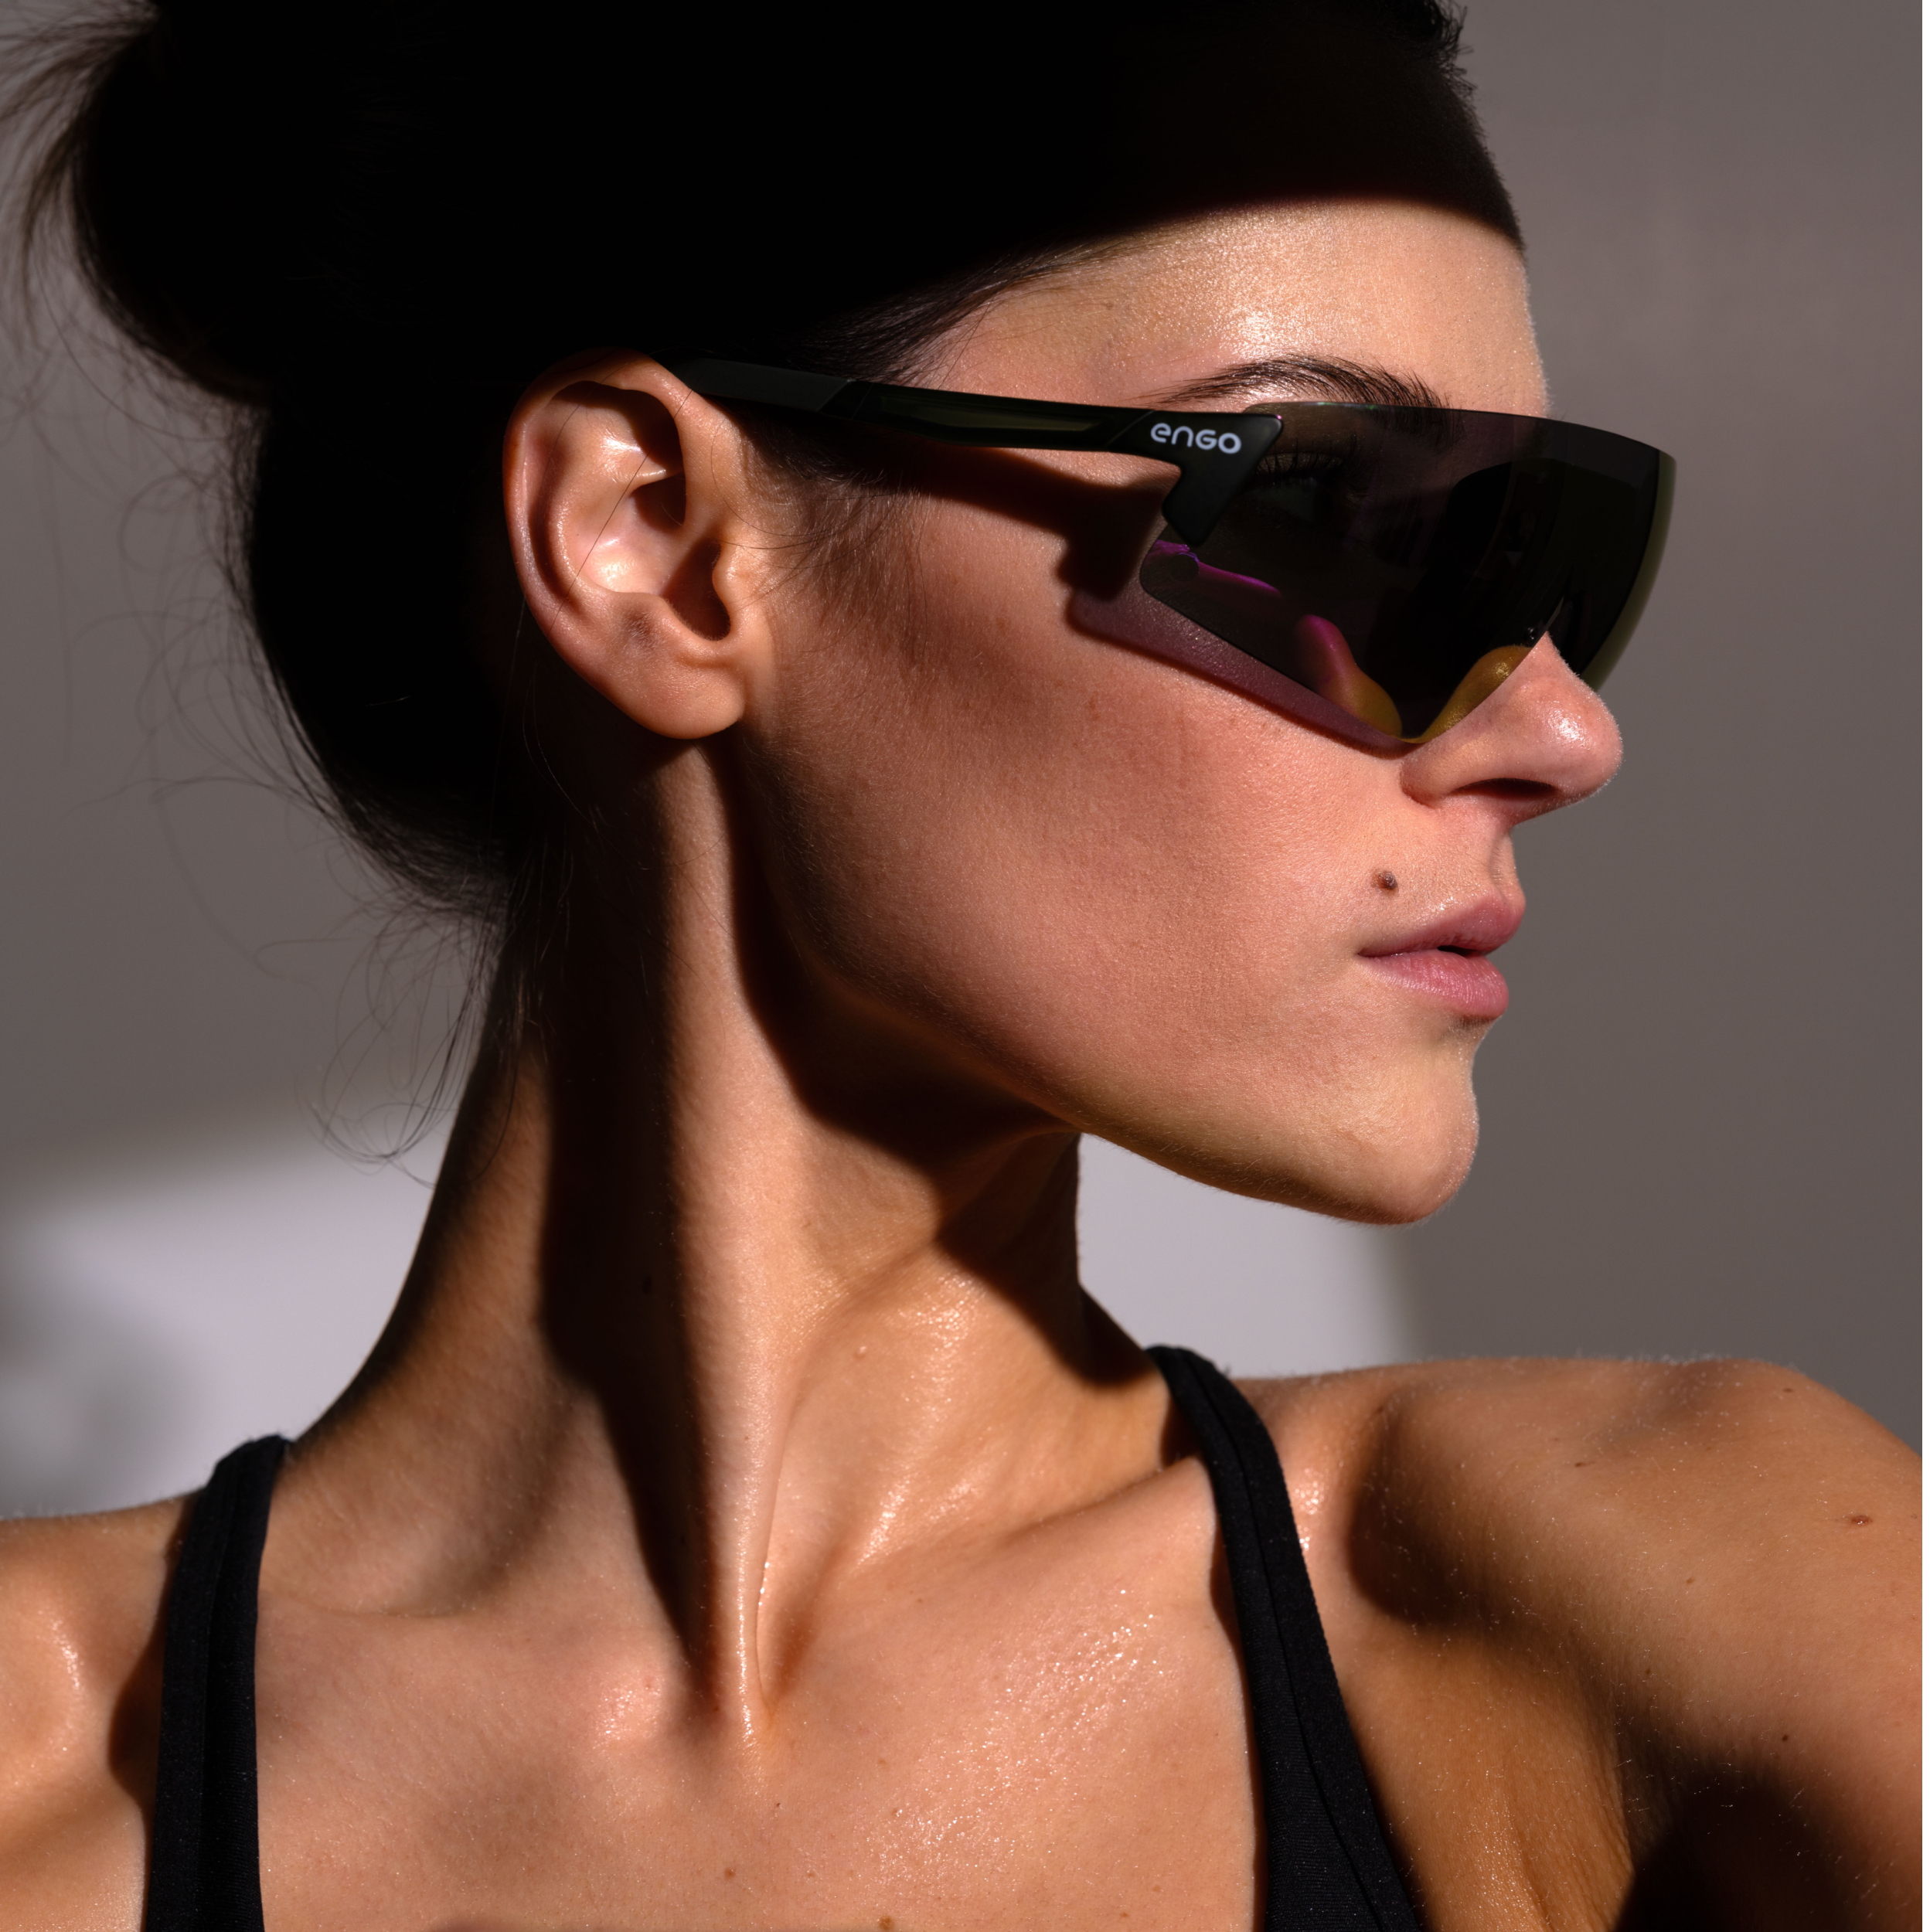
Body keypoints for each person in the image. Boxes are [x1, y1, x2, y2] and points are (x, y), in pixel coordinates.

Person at [0, 2, 1915, 1926]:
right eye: (1341, 519)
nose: (1564, 732)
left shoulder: (1657, 1622)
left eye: (1552, 555)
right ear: (654, 544)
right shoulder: (39, 1780)